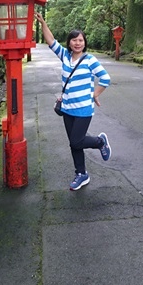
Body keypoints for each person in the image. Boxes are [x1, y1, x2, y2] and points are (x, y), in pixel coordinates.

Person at [35, 12, 112, 191]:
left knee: (76, 141)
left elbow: (105, 78)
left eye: (81, 40)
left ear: (84, 43)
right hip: (67, 108)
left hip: (84, 109)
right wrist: (42, 23)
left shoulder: (90, 60)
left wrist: (95, 94)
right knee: (73, 142)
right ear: (69, 42)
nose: (78, 43)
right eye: (74, 40)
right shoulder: (65, 57)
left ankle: (100, 142)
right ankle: (81, 174)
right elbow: (51, 41)